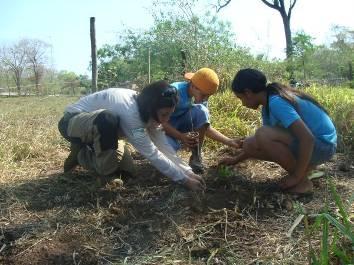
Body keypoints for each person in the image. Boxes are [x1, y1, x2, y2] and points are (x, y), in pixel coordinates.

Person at [58, 80, 205, 191]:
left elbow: (163, 146)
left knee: (129, 171)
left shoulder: (148, 110)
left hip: (97, 130)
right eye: (163, 114)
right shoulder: (132, 114)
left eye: (170, 114)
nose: (166, 120)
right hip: (71, 123)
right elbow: (152, 153)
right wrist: (183, 180)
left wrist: (187, 171)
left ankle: (90, 149)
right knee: (107, 123)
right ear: (151, 108)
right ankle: (84, 157)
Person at [221, 68, 337, 194]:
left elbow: (307, 139)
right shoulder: (267, 106)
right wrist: (235, 160)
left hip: (323, 146)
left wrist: (296, 177)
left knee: (263, 134)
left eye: (240, 98)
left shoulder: (276, 102)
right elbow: (263, 144)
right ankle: (305, 168)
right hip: (315, 146)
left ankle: (303, 182)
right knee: (249, 144)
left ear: (248, 93)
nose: (242, 103)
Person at [162, 67, 240, 174]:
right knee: (169, 150)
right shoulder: (174, 92)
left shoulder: (201, 99)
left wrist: (229, 141)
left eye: (208, 96)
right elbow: (159, 122)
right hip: (163, 127)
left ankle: (196, 156)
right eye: (204, 95)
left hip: (179, 124)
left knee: (202, 111)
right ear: (193, 86)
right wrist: (181, 136)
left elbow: (205, 127)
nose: (205, 99)